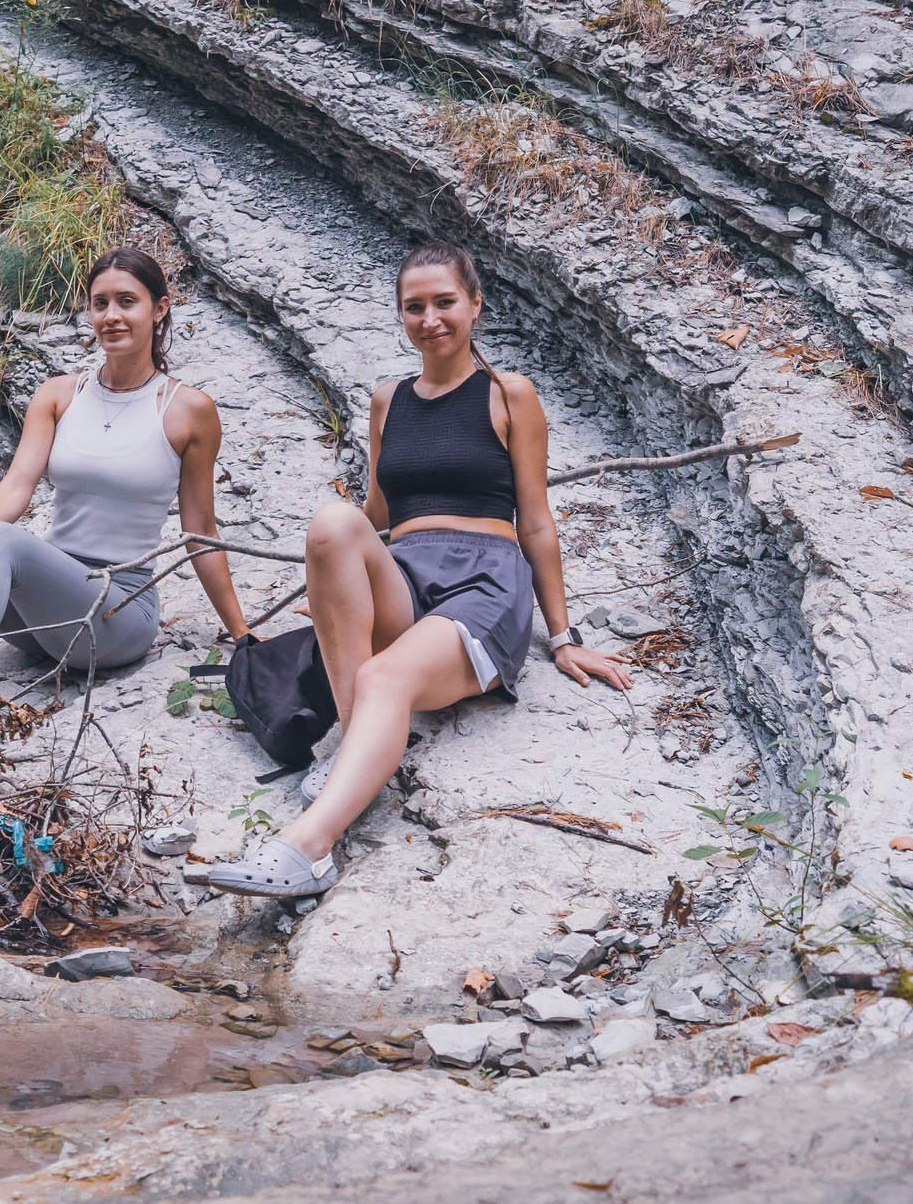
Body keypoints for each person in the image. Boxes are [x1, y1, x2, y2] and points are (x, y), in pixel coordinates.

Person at [206, 243, 632, 898]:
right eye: (415, 306)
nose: (430, 318)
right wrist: (333, 591)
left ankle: (306, 848)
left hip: (482, 583)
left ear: (475, 305)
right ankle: (360, 747)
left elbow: (537, 521)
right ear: (401, 315)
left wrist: (564, 635)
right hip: (406, 575)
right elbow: (377, 512)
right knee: (330, 520)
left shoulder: (508, 394)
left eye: (444, 302)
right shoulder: (387, 401)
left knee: (385, 673)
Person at [0, 248, 250, 770]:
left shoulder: (187, 409)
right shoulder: (59, 394)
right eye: (100, 303)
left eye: (128, 301)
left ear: (160, 308)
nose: (111, 316)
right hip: (42, 611)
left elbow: (200, 531)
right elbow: (16, 488)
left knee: (0, 540)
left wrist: (243, 634)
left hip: (115, 610)